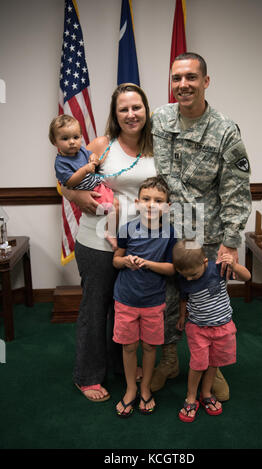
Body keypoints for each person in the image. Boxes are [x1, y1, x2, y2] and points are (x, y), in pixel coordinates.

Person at [150, 52, 252, 400]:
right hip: (165, 232)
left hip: (207, 235)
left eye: (191, 77)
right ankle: (168, 360)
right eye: (177, 78)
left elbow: (236, 190)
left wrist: (230, 240)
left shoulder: (225, 129)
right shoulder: (160, 118)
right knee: (164, 299)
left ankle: (213, 367)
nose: (183, 85)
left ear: (205, 81)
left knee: (207, 300)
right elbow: (153, 164)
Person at [60, 83, 156, 402]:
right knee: (96, 307)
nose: (131, 114)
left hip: (138, 243)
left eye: (136, 107)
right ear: (115, 115)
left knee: (123, 308)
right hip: (97, 240)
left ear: (146, 109)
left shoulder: (157, 145)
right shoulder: (101, 144)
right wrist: (76, 195)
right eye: (123, 109)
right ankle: (87, 375)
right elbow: (66, 180)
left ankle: (118, 365)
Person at [113, 176, 176, 417]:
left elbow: (172, 269)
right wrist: (125, 261)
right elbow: (115, 260)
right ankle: (130, 389)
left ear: (167, 207)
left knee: (150, 346)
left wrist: (148, 263)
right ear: (138, 202)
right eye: (146, 199)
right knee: (129, 346)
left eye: (158, 200)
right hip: (126, 298)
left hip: (153, 301)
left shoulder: (170, 234)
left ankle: (146, 387)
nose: (151, 204)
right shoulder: (127, 229)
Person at [173, 239, 251, 422]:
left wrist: (234, 265)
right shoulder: (184, 277)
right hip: (198, 328)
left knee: (213, 363)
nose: (189, 279)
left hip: (222, 326)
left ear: (205, 262)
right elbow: (184, 299)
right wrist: (182, 316)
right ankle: (191, 396)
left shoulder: (219, 269)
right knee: (198, 363)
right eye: (185, 276)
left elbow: (246, 277)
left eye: (193, 274)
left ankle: (206, 393)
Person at [50, 114, 119, 250]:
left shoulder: (81, 150)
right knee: (114, 206)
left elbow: (91, 155)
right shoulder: (61, 162)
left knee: (115, 204)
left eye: (76, 137)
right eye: (65, 138)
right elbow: (69, 183)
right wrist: (85, 170)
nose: (72, 142)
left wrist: (94, 158)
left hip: (97, 185)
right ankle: (110, 232)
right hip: (91, 191)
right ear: (54, 141)